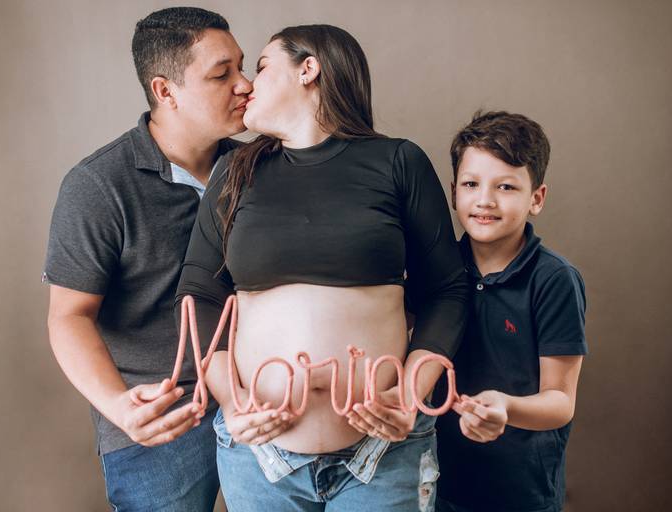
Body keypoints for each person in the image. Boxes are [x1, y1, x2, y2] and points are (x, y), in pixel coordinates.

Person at [176, 24, 469, 512]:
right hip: (260, 456)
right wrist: (231, 400)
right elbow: (200, 295)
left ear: (308, 69)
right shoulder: (236, 171)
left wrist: (409, 395)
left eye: (261, 67)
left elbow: (447, 291)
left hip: (384, 450)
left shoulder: (397, 162)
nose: (246, 84)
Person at [43, 7, 251, 511]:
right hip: (163, 416)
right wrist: (120, 407)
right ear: (165, 91)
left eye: (243, 67)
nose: (245, 85)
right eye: (221, 74)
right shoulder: (98, 185)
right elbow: (69, 317)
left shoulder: (258, 166)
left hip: (257, 397)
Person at [434, 111, 588, 512]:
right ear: (453, 192)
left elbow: (560, 401)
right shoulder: (436, 270)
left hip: (522, 493)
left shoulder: (554, 279)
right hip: (436, 484)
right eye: (471, 184)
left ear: (536, 198)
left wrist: (506, 407)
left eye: (505, 186)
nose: (485, 200)